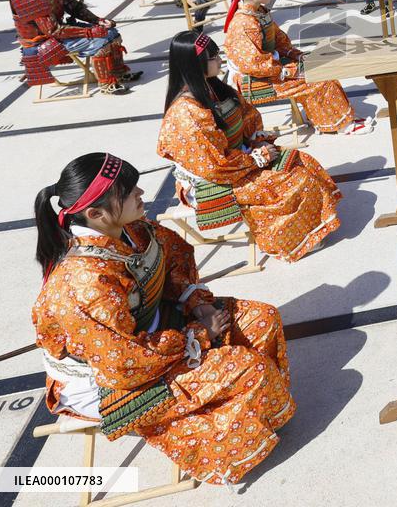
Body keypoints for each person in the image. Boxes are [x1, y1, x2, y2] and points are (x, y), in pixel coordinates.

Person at [32, 152, 294, 486]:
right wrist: (199, 336)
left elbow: (173, 256)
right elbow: (124, 363)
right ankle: (223, 448)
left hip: (156, 332)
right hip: (110, 378)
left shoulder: (132, 229)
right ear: (95, 214)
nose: (141, 194)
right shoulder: (82, 284)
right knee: (246, 367)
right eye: (129, 192)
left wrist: (196, 302)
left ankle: (262, 416)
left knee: (263, 319)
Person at [157, 30, 343, 261]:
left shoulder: (212, 87)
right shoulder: (186, 113)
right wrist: (257, 158)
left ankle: (311, 225)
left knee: (301, 160)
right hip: (213, 177)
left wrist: (253, 139)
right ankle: (288, 240)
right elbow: (213, 166)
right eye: (213, 56)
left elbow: (246, 113)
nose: (220, 59)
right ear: (196, 64)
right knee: (291, 183)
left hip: (236, 158)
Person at [222, 0, 372, 135]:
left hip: (268, 66)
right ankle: (340, 124)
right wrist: (285, 70)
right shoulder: (243, 22)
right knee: (318, 79)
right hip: (253, 77)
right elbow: (252, 63)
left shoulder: (258, 12)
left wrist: (296, 55)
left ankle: (330, 117)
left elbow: (279, 40)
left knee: (319, 65)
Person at [9, 0, 139, 94]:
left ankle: (118, 74)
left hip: (57, 33)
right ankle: (106, 84)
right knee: (103, 40)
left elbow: (73, 7)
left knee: (112, 32)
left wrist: (97, 21)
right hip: (42, 42)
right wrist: (90, 32)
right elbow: (53, 30)